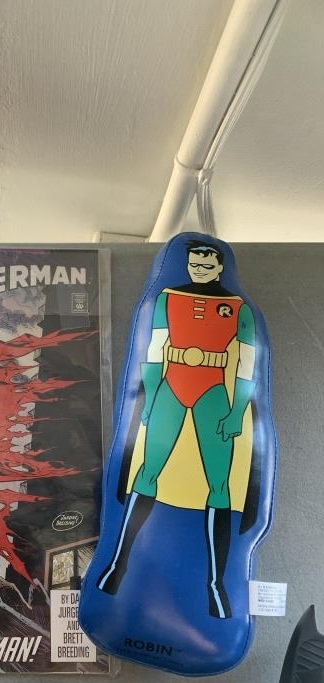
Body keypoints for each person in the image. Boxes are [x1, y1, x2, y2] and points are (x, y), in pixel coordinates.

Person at [98, 240, 256, 619]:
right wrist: (150, 397)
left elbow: (246, 365)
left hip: (213, 393)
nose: (200, 269)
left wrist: (236, 411)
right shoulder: (167, 299)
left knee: (219, 484)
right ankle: (117, 566)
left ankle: (216, 586)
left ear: (220, 268)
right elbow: (155, 349)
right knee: (148, 472)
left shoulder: (239, 308)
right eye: (194, 264)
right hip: (170, 388)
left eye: (207, 265)